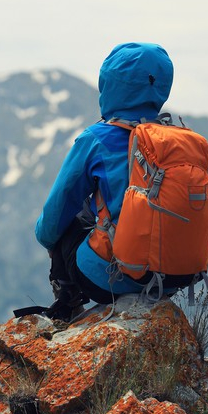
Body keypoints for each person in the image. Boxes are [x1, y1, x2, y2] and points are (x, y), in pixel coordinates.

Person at [34, 42, 174, 319]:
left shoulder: (97, 139)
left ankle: (68, 299)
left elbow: (53, 219)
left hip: (111, 277)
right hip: (172, 276)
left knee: (73, 215)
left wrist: (48, 241)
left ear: (110, 85)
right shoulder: (177, 139)